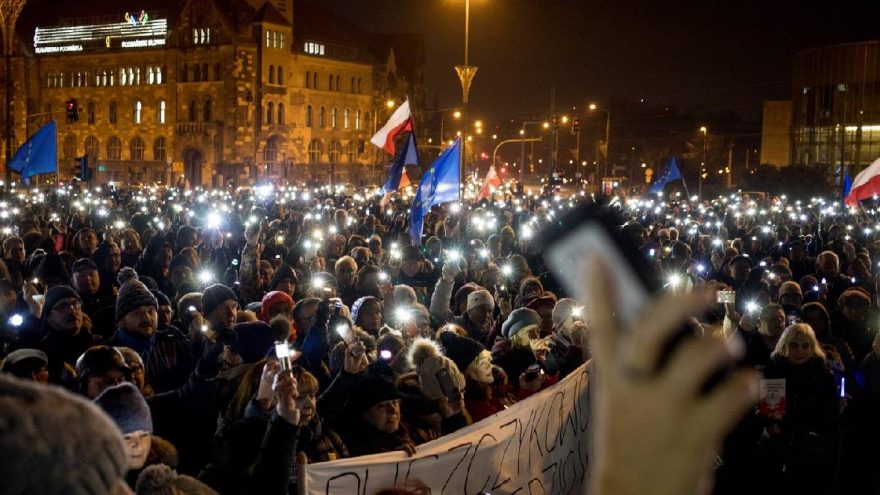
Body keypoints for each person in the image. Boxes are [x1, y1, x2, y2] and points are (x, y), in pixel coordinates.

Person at [759, 323, 839, 494]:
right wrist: (768, 423)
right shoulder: (773, 372)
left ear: (812, 347)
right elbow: (763, 410)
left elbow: (828, 418)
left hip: (811, 451)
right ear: (786, 346)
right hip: (778, 449)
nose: (799, 351)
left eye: (805, 345)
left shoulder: (824, 376)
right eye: (794, 345)